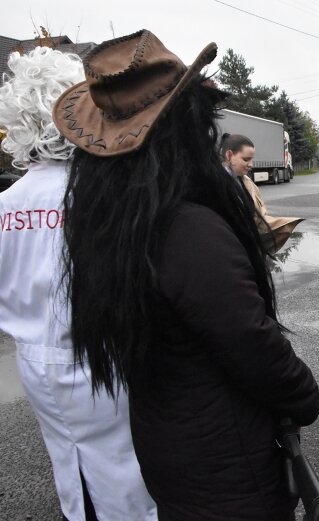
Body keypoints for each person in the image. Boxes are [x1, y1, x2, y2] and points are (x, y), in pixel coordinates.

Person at [53, 30, 319, 520]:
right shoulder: (185, 228)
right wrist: (305, 394)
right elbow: (252, 343)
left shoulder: (114, 223)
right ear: (184, 130)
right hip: (225, 465)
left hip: (168, 445)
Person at [0, 47, 156, 521]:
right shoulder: (103, 195)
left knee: (68, 459)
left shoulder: (7, 204)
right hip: (105, 357)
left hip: (36, 364)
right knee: (129, 472)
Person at [220, 133, 303, 254]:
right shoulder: (216, 185)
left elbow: (257, 214)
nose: (251, 164)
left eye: (252, 159)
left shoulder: (246, 182)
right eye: (246, 159)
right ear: (229, 155)